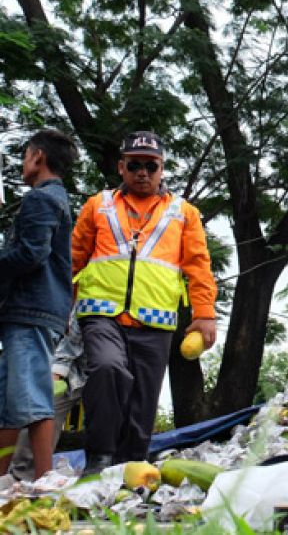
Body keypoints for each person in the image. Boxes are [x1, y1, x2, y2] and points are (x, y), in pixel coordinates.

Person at [71, 131, 217, 474]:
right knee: (107, 368)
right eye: (134, 164)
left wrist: (204, 315)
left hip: (156, 320)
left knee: (143, 402)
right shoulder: (99, 205)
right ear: (121, 167)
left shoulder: (184, 213)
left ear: (162, 168)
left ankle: (132, 465)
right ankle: (100, 458)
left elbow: (198, 264)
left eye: (151, 166)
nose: (143, 172)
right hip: (101, 313)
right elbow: (73, 258)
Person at [0, 129, 78, 479]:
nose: (22, 163)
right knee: (7, 402)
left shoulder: (41, 199)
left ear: (38, 157)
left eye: (25, 155)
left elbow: (32, 253)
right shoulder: (56, 198)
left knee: (32, 396)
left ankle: (44, 483)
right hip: (31, 310)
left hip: (32, 309)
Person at [9, 323, 85, 481]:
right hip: (66, 369)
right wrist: (58, 370)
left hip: (103, 373)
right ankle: (22, 476)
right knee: (42, 404)